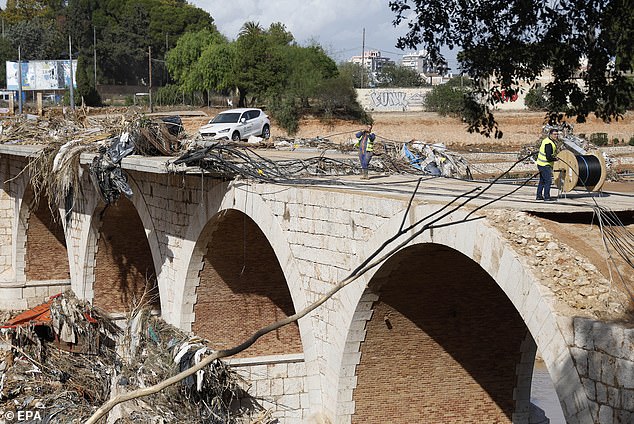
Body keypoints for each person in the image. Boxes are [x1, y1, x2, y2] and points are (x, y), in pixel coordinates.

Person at [536, 128, 559, 201]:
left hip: (541, 163)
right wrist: (556, 159)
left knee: (542, 180)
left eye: (557, 134)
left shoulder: (547, 140)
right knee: (548, 181)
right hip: (544, 164)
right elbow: (548, 157)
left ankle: (539, 196)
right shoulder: (548, 143)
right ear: (550, 134)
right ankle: (547, 197)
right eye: (554, 134)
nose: (556, 136)